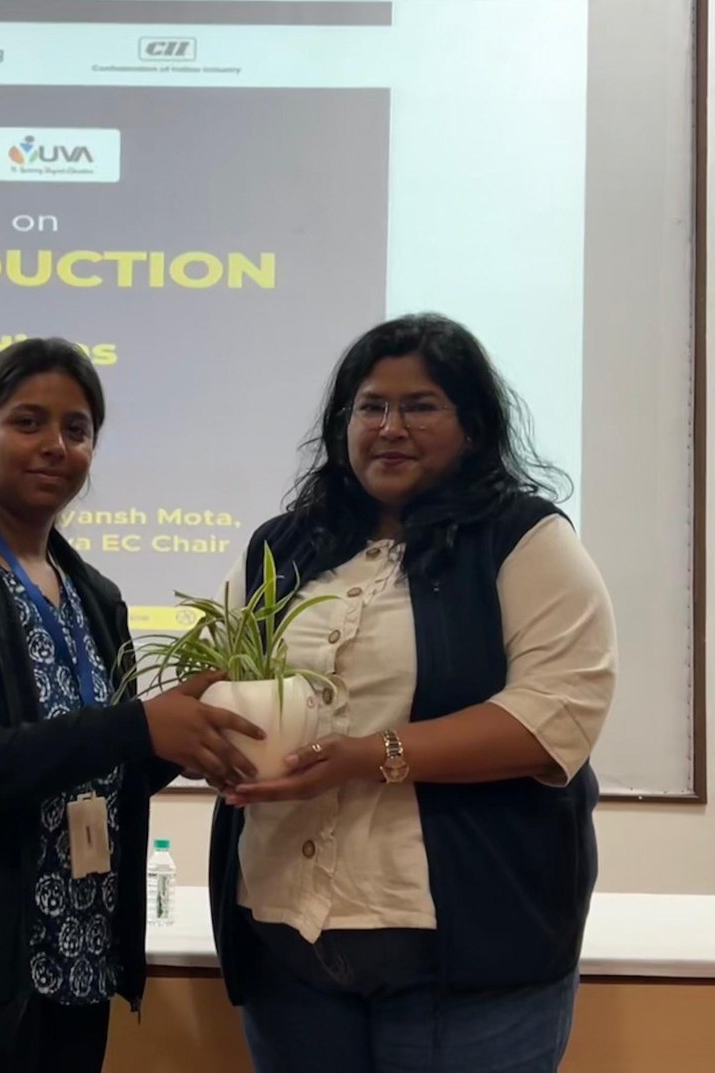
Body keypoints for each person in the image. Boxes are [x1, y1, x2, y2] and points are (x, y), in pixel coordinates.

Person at [0, 338, 264, 1073]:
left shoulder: (93, 594)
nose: (55, 445)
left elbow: (98, 765)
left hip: (75, 966)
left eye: (76, 429)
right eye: (28, 422)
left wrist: (185, 738)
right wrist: (138, 725)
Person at [207, 313, 617, 1073]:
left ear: (473, 424)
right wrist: (208, 739)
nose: (390, 428)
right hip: (286, 944)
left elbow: (554, 720)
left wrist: (368, 757)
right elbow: (216, 673)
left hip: (471, 957)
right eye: (371, 407)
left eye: (420, 406)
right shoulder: (283, 546)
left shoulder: (525, 540)